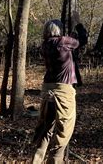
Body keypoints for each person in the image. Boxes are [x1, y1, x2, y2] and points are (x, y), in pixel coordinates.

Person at [32, 19, 80, 164]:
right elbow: (80, 41)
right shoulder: (63, 42)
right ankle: (55, 160)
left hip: (47, 89)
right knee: (63, 131)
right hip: (63, 90)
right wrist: (77, 23)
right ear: (58, 30)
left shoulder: (45, 45)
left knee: (46, 128)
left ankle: (37, 160)